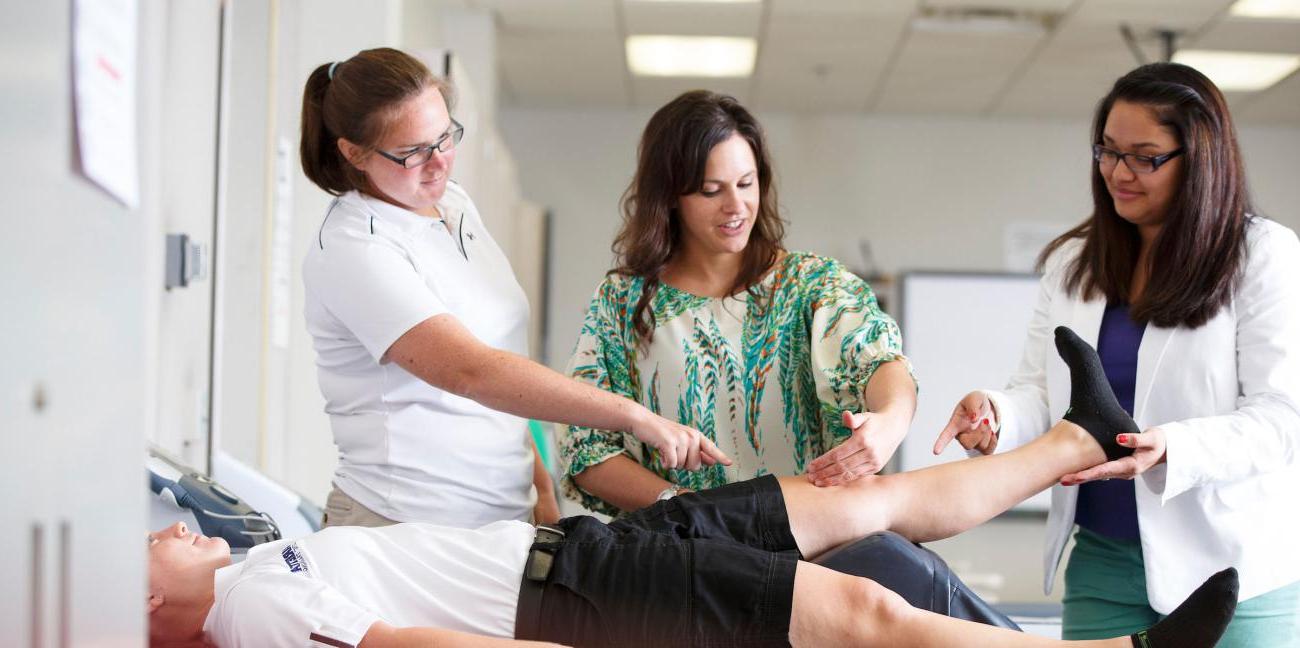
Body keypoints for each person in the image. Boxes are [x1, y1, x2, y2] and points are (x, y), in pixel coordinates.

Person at [148, 329, 1240, 648]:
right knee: (866, 609)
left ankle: (1074, 436)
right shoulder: (250, 606)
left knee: (870, 509)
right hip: (578, 597)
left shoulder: (254, 567)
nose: (167, 530)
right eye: (150, 542)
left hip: (578, 551)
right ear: (147, 610)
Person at [933, 63, 1300, 644]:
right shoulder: (1074, 262)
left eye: (1144, 157)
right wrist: (997, 416)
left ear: (1199, 160)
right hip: (1104, 562)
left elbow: (1283, 417)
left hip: (1232, 565)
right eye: (1106, 151)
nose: (1117, 172)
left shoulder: (1264, 256)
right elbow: (1044, 393)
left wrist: (1170, 448)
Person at [298, 49, 728, 530]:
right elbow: (473, 372)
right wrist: (632, 417)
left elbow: (502, 364)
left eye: (444, 137)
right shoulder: (353, 247)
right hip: (405, 522)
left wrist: (539, 488)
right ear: (352, 152)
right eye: (413, 151)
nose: (438, 163)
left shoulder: (453, 204)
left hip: (501, 516)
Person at [559, 90, 916, 516]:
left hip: (811, 547)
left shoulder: (813, 285)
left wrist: (891, 420)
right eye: (712, 191)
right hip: (683, 556)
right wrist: (693, 512)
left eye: (747, 184)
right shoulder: (624, 303)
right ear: (670, 196)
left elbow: (879, 360)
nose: (736, 207)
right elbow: (587, 450)